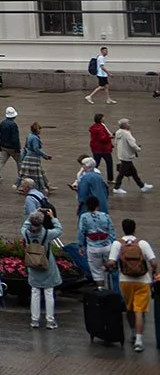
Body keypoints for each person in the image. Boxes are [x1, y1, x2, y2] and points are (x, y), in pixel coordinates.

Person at [111, 217, 157, 352]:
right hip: (143, 281)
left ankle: (132, 332)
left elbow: (111, 262)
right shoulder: (142, 243)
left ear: (123, 229)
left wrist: (106, 267)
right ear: (134, 228)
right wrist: (154, 273)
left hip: (125, 281)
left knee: (130, 308)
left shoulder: (117, 244)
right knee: (139, 310)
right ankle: (139, 339)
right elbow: (153, 262)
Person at [22, 207, 62, 330]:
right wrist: (53, 217)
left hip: (33, 265)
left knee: (35, 292)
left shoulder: (26, 233)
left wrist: (33, 213)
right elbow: (59, 230)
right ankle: (50, 320)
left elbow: (24, 225)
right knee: (49, 292)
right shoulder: (47, 234)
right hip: (46, 265)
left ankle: (35, 320)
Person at [79, 195, 114, 285]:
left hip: (93, 247)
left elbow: (81, 232)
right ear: (97, 205)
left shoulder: (84, 217)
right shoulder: (105, 216)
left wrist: (81, 246)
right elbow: (112, 231)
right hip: (107, 246)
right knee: (112, 270)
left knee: (97, 272)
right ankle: (113, 291)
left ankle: (101, 291)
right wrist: (113, 244)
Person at [117, 118, 154, 194]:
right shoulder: (127, 133)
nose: (129, 125)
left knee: (134, 172)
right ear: (124, 125)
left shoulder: (118, 132)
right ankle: (116, 187)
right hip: (127, 156)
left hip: (122, 154)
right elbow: (132, 144)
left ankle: (142, 186)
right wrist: (138, 149)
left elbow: (116, 142)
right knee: (122, 173)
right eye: (128, 123)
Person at [17, 120, 49, 193]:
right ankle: (42, 187)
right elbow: (36, 149)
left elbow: (26, 147)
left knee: (26, 173)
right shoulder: (35, 138)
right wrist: (45, 156)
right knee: (36, 174)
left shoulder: (29, 136)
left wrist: (23, 157)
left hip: (28, 157)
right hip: (33, 158)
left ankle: (46, 185)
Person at [91, 112, 118, 188]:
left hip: (96, 148)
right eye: (103, 117)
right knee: (109, 163)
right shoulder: (101, 128)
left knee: (96, 163)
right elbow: (102, 138)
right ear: (100, 119)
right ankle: (110, 178)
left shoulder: (94, 127)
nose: (104, 119)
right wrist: (110, 137)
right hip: (103, 149)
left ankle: (89, 174)